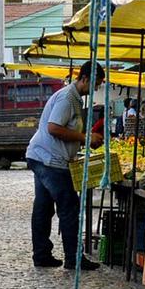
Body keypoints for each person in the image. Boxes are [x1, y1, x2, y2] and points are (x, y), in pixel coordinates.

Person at [25, 60, 104, 271]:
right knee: (69, 206)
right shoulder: (68, 98)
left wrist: (81, 140)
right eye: (95, 83)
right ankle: (73, 258)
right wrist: (85, 137)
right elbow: (53, 127)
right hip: (50, 160)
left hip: (42, 156)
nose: (96, 89)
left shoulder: (75, 98)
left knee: (43, 207)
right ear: (85, 78)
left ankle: (42, 254)